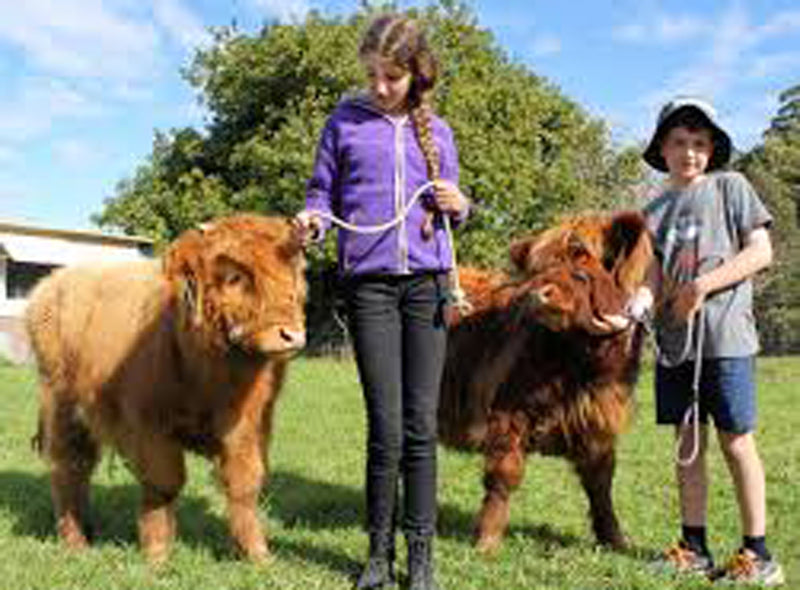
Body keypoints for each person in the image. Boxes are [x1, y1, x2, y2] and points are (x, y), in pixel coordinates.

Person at [295, 13, 468, 590]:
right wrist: (313, 220)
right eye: (371, 74)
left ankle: (421, 561)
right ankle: (377, 557)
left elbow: (456, 210)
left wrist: (458, 202)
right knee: (385, 426)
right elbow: (322, 191)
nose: (378, 86)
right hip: (368, 286)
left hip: (428, 285)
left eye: (391, 76)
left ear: (415, 73)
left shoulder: (437, 131)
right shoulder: (344, 122)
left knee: (421, 426)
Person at [626, 97, 784, 586]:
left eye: (699, 143)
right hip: (677, 347)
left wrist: (701, 287)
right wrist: (637, 304)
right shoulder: (652, 210)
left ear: (711, 149)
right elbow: (651, 278)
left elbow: (761, 252)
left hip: (726, 340)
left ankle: (758, 554)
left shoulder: (731, 187)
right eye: (679, 143)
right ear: (662, 149)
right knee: (687, 444)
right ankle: (693, 547)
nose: (689, 152)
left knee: (737, 442)